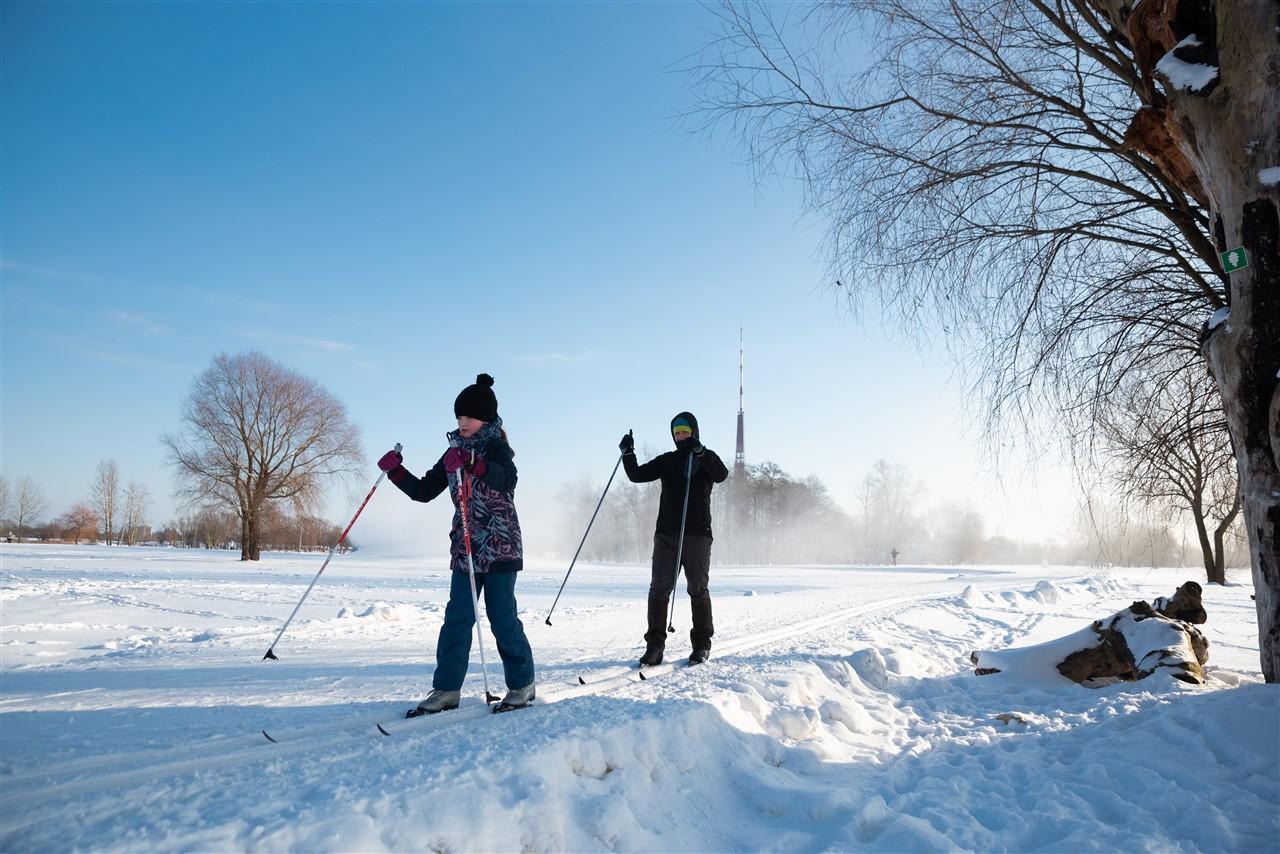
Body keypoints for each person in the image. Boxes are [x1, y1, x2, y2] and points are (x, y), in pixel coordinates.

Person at [377, 373, 535, 715]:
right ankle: (446, 689)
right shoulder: (453, 451)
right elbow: (424, 491)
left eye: (470, 418)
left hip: (500, 547)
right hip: (466, 549)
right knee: (457, 620)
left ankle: (522, 684)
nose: (463, 423)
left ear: (486, 419)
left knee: (502, 618)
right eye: (460, 417)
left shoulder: (496, 447)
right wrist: (396, 473)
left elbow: (507, 479)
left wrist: (474, 463)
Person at [620, 412, 728, 667]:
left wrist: (700, 451)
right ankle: (654, 647)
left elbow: (721, 474)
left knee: (697, 589)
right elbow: (637, 475)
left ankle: (701, 645)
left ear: (694, 432)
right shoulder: (667, 460)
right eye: (677, 433)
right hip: (666, 535)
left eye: (684, 432)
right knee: (658, 589)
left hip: (697, 535)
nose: (680, 436)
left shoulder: (705, 458)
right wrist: (628, 453)